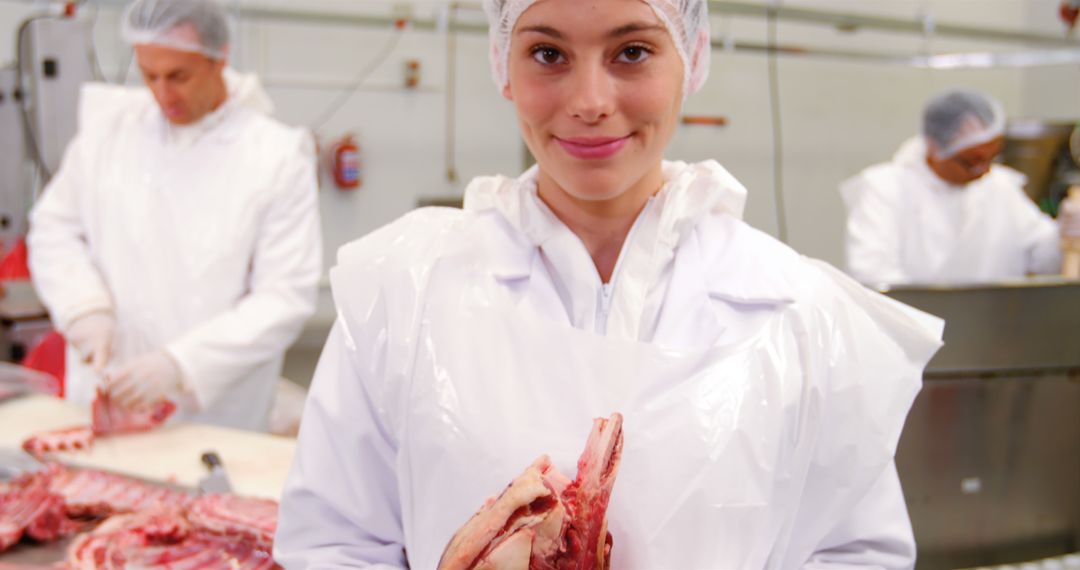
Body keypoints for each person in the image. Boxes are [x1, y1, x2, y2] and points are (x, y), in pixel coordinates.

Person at [275, 0, 942, 567]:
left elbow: (856, 553)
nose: (590, 102)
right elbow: (333, 543)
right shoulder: (405, 291)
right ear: (502, 64)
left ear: (693, 58)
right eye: (547, 55)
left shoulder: (798, 314)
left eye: (631, 52)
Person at [27, 0, 321, 431]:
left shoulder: (275, 157)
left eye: (179, 76)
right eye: (150, 76)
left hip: (213, 411)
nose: (163, 94)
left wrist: (180, 365)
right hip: (106, 393)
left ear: (220, 58)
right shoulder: (110, 132)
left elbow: (284, 296)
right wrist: (84, 308)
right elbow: (54, 227)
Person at [841, 89, 1080, 285]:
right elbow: (873, 277)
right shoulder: (886, 188)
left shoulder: (999, 187)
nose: (984, 170)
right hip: (916, 336)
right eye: (972, 161)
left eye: (992, 158)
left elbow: (1043, 260)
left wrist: (1065, 232)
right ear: (936, 148)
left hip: (995, 330)